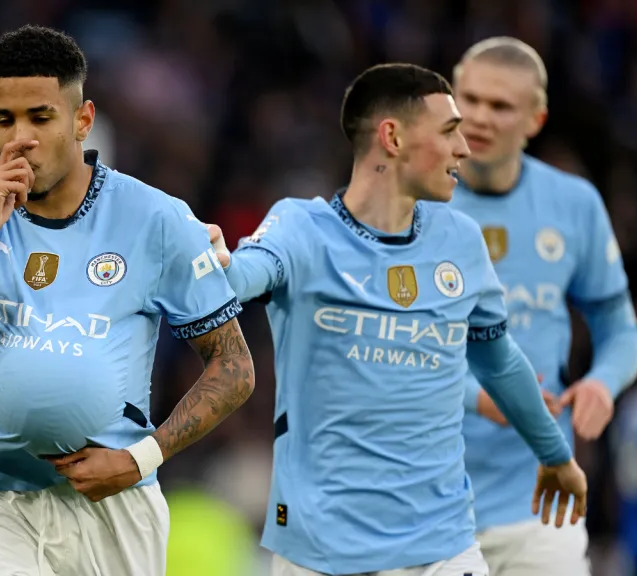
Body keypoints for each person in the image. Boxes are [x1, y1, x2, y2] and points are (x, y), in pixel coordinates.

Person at [0, 25, 254, 576]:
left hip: (114, 503)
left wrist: (139, 458)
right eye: (4, 120)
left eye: (40, 117)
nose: (20, 137)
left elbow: (235, 367)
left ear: (82, 119)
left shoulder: (155, 218)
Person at [206, 63, 587, 576]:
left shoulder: (461, 241)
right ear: (393, 137)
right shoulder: (302, 228)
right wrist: (217, 265)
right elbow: (244, 277)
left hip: (442, 545)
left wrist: (555, 454)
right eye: (450, 131)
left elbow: (499, 362)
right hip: (321, 549)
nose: (465, 149)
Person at [448, 37, 637, 576]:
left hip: (540, 497)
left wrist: (603, 381)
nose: (479, 117)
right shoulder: (408, 205)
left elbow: (619, 326)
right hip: (426, 500)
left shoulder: (573, 204)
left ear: (535, 119)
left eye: (501, 105)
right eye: (469, 99)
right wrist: (476, 396)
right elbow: (378, 345)